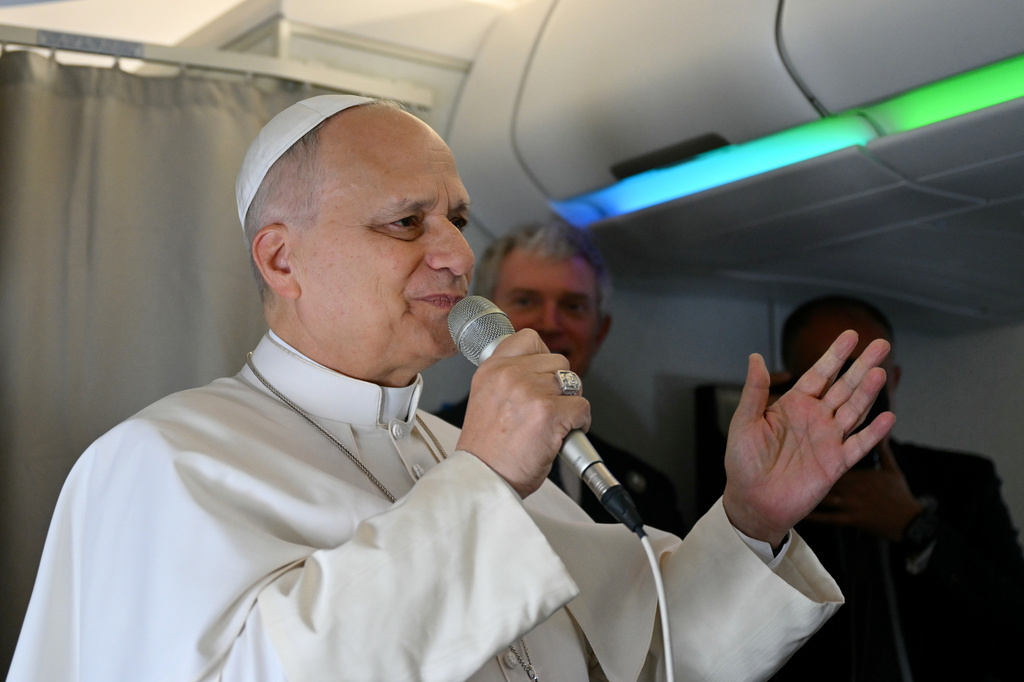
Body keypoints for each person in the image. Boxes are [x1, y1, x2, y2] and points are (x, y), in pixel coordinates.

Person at [7, 95, 896, 682]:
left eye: (458, 219)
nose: (458, 255)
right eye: (407, 222)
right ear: (283, 259)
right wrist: (482, 482)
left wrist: (752, 519)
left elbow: (656, 652)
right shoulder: (160, 463)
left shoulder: (457, 455)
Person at [768, 295, 1024, 682]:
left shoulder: (964, 481)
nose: (851, 391)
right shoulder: (767, 494)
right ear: (791, 383)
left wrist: (915, 526)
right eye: (830, 375)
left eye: (868, 375)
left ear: (895, 378)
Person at [435, 221, 689, 535]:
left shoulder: (645, 492)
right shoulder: (429, 450)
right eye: (526, 301)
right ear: (484, 317)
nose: (550, 323)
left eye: (573, 306)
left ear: (600, 331)